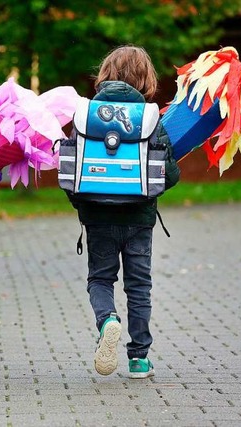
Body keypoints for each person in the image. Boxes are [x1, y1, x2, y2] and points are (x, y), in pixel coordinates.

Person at [66, 46, 180, 379]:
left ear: (104, 74)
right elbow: (168, 174)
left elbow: (70, 171)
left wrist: (83, 204)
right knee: (139, 286)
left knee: (100, 278)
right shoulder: (149, 118)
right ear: (146, 79)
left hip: (97, 216)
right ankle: (139, 359)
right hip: (139, 220)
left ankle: (108, 320)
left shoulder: (87, 115)